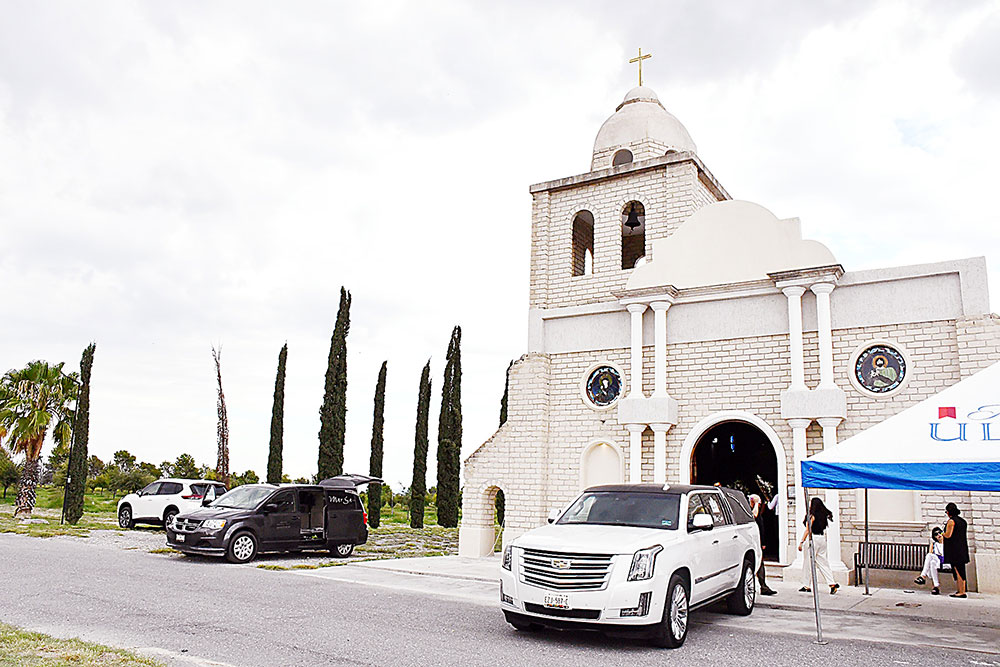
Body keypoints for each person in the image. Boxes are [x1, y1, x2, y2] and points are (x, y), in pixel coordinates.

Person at [798, 497, 839, 594]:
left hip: (813, 539)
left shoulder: (812, 516)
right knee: (823, 562)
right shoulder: (823, 515)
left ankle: (806, 585)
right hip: (822, 539)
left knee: (807, 563)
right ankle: (831, 583)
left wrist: (801, 542)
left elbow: (808, 530)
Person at [748, 494, 777, 596]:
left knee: (760, 564)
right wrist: (755, 503)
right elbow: (754, 516)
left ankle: (763, 586)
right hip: (751, 542)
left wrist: (763, 542)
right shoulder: (749, 510)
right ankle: (762, 586)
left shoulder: (759, 512)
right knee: (756, 564)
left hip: (758, 541)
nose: (760, 505)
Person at [943, 502, 970, 598]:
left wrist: (942, 533)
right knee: (962, 570)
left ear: (949, 512)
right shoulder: (963, 521)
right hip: (962, 548)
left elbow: (948, 535)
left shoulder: (951, 521)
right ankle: (961, 589)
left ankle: (961, 591)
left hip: (955, 550)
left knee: (957, 570)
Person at [913, 527, 944, 595]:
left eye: (940, 533)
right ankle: (936, 586)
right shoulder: (934, 544)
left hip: (945, 560)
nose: (938, 535)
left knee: (929, 556)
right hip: (936, 560)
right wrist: (932, 545)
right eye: (936, 534)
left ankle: (923, 576)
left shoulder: (947, 542)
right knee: (932, 562)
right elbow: (931, 553)